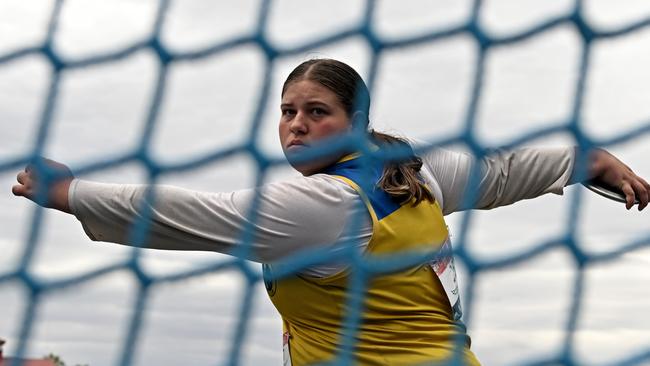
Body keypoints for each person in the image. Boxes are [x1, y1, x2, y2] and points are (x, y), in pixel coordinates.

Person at [12, 58, 649, 365]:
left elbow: (187, 214)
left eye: (317, 112)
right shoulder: (411, 174)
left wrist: (67, 194)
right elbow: (502, 173)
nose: (296, 125)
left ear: (355, 123)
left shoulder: (323, 206)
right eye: (288, 111)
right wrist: (590, 162)